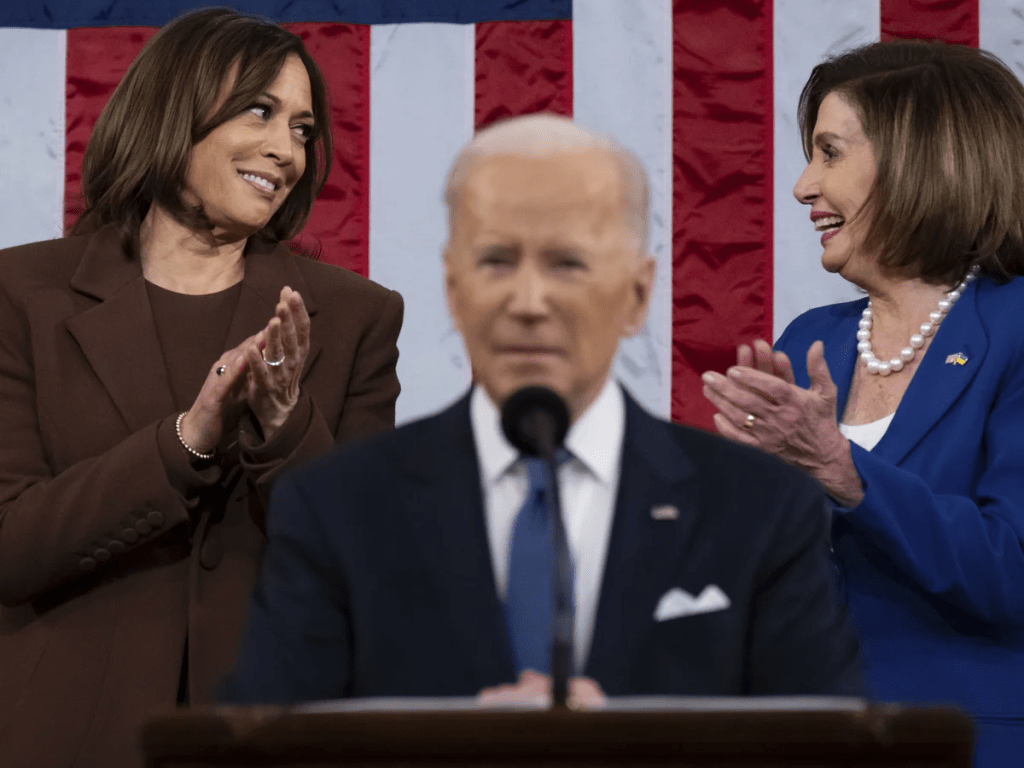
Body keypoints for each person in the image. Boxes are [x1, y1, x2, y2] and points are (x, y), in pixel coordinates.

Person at [220, 113, 862, 706]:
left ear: (637, 296)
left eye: (567, 264)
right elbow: (267, 747)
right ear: (454, 290)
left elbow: (827, 747)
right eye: (497, 262)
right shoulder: (339, 507)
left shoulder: (759, 509)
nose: (528, 302)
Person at [0, 9, 402, 768]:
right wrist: (186, 440)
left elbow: (364, 567)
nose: (286, 150)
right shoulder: (21, 294)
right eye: (260, 111)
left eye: (303, 129)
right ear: (173, 108)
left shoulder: (356, 316)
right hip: (67, 737)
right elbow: (12, 547)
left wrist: (284, 426)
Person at [701, 41, 1024, 767]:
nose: (803, 186)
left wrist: (843, 471)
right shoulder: (811, 339)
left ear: (925, 159)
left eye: (830, 153)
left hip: (963, 742)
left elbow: (1012, 571)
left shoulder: (1016, 328)